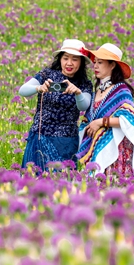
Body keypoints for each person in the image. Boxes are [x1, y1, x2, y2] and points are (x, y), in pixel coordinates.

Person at [19, 39, 93, 171]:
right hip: (40, 136)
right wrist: (39, 88)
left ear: (81, 62)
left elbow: (84, 106)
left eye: (75, 59)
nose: (69, 63)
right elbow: (22, 90)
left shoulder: (84, 83)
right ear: (60, 59)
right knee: (33, 180)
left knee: (62, 182)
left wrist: (77, 93)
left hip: (66, 141)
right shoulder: (46, 74)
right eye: (65, 58)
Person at [77, 43, 134, 175]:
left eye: (100, 62)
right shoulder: (96, 91)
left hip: (117, 150)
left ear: (112, 65)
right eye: (95, 62)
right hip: (98, 147)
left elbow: (129, 120)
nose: (95, 66)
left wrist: (101, 122)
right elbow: (89, 119)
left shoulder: (121, 91)